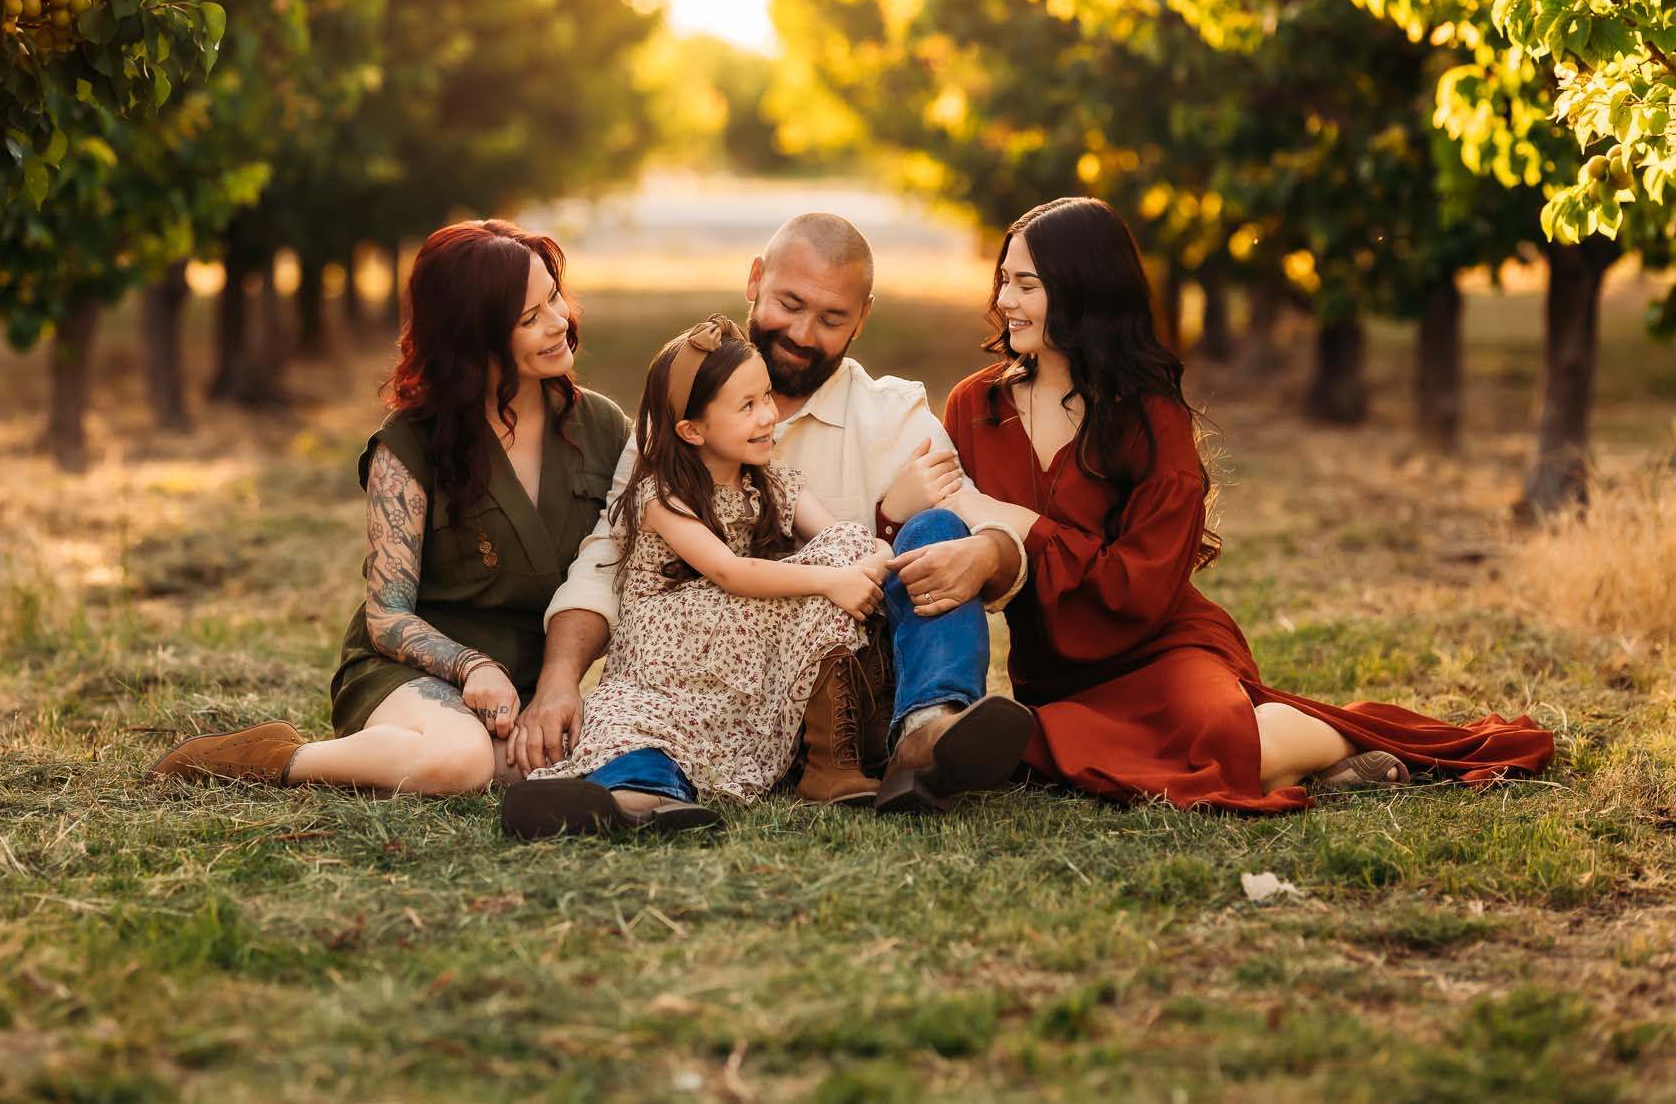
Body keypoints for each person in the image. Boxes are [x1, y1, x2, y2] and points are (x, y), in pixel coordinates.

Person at [936, 196, 1554, 811]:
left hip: (1161, 645)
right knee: (1049, 753)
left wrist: (1022, 523)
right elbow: (938, 530)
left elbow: (1140, 588)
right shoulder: (974, 407)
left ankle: (1335, 741)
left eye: (1026, 285)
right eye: (1003, 282)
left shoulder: (1148, 416)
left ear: (1083, 291)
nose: (1004, 302)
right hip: (1058, 675)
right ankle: (1322, 759)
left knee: (1224, 747)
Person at [513, 213, 1033, 811]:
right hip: (706, 689)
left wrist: (981, 546)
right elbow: (610, 556)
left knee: (938, 530)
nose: (805, 334)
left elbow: (975, 523)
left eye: (832, 318)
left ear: (862, 318)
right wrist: (558, 679)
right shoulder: (675, 424)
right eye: (791, 303)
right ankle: (645, 789)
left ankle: (928, 731)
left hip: (867, 690)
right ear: (755, 279)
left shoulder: (894, 417)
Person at [146, 220, 628, 794]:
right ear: (473, 338)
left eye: (554, 299)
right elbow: (388, 616)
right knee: (461, 764)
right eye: (529, 319)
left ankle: (479, 753)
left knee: (572, 757)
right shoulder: (410, 444)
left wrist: (560, 683)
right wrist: (472, 666)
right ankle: (269, 758)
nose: (559, 325)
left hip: (534, 684)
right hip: (413, 671)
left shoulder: (604, 428)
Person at [501, 316, 896, 838]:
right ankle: (620, 795)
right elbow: (728, 571)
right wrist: (833, 579)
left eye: (767, 399)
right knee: (642, 731)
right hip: (668, 658)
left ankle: (821, 766)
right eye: (747, 407)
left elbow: (839, 540)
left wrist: (871, 555)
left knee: (846, 546)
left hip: (734, 662)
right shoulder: (662, 494)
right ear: (692, 429)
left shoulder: (774, 484)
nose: (768, 417)